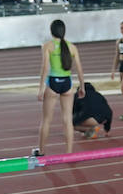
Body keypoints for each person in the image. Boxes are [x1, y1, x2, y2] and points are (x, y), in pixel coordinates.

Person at [36, 19, 87, 156]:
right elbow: (80, 69)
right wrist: (82, 86)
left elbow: (45, 68)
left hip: (52, 82)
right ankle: (69, 152)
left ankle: (41, 151)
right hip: (67, 83)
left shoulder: (48, 46)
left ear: (51, 31)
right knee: (67, 119)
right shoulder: (72, 47)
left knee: (46, 119)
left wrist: (41, 89)